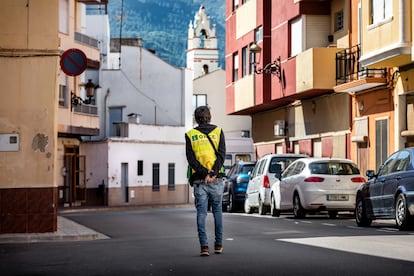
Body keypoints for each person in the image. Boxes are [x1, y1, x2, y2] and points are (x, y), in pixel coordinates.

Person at [185, 106, 226, 257]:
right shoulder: (218, 132)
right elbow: (222, 155)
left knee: (201, 214)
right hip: (216, 179)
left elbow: (191, 159)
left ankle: (204, 247)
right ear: (210, 117)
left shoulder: (190, 135)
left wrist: (204, 173)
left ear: (196, 119)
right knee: (217, 212)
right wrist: (213, 172)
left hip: (200, 181)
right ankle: (219, 245)